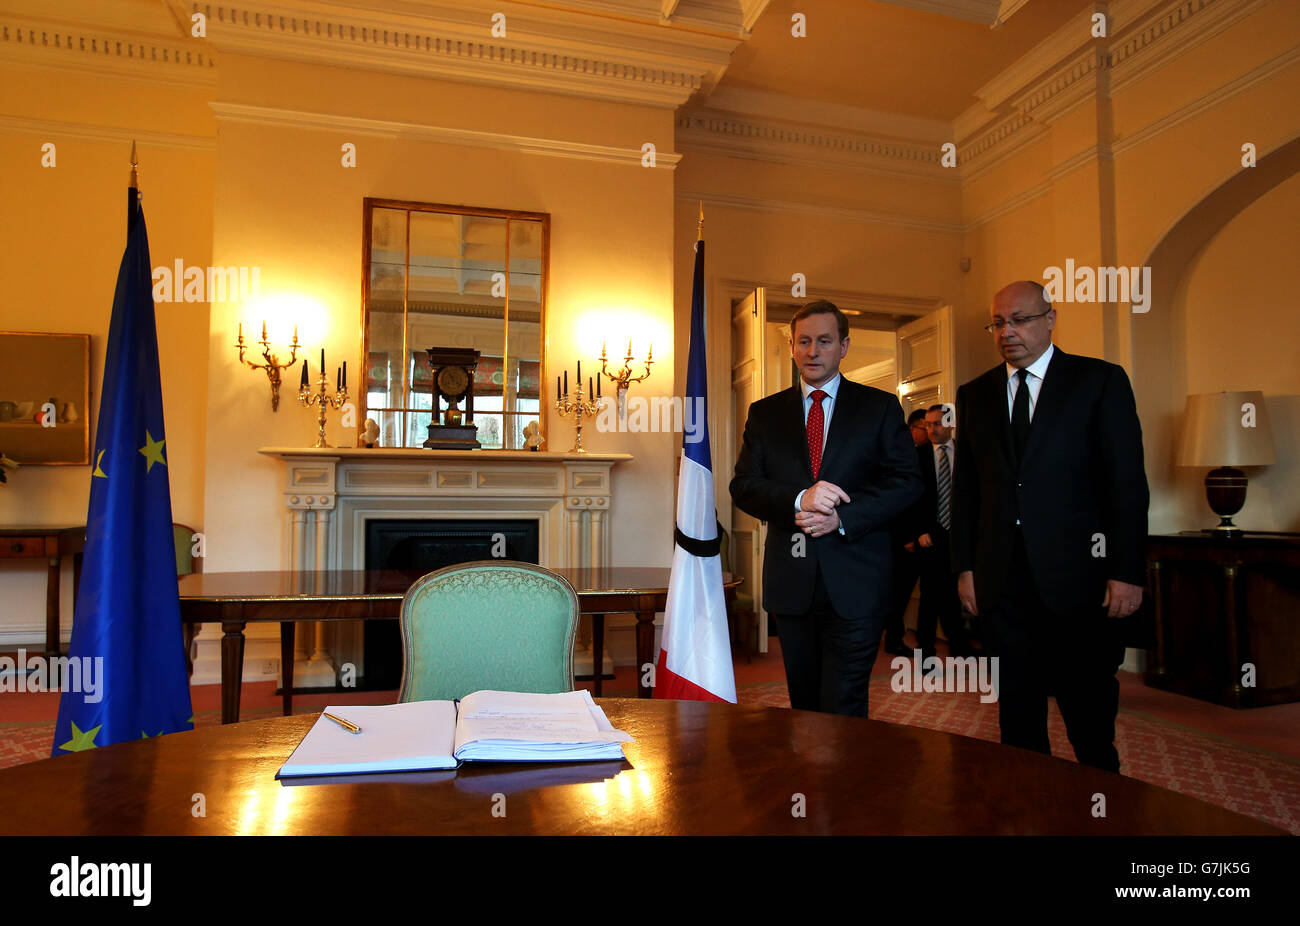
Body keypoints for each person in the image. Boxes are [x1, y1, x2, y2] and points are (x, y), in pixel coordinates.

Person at [950, 281, 1148, 773]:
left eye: (1019, 319)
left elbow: (1126, 484)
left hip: (1082, 581)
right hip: (1002, 583)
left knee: (1089, 718)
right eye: (998, 322)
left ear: (1050, 319)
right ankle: (1028, 812)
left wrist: (1128, 571)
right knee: (1018, 721)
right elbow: (967, 492)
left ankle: (1103, 806)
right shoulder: (975, 394)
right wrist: (965, 568)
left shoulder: (1099, 381)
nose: (1007, 332)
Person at [731, 300, 921, 716]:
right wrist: (799, 499)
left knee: (844, 702)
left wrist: (843, 516)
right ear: (793, 347)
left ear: (843, 346)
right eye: (803, 341)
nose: (812, 351)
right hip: (793, 582)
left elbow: (907, 483)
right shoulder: (765, 414)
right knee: (805, 702)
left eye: (824, 341)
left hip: (858, 580)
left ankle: (846, 782)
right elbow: (743, 487)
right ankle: (810, 781)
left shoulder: (880, 407)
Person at [910, 403, 975, 664]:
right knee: (930, 596)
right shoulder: (918, 455)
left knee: (956, 594)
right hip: (931, 534)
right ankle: (926, 652)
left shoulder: (966, 454)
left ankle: (960, 646)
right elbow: (910, 497)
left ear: (950, 423)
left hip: (961, 535)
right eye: (927, 424)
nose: (931, 429)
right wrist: (918, 530)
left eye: (937, 423)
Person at [882, 408, 930, 657]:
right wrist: (907, 537)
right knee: (897, 593)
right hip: (900, 539)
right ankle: (893, 639)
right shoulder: (900, 457)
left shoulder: (925, 455)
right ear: (912, 428)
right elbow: (900, 501)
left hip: (921, 537)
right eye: (925, 427)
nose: (930, 432)